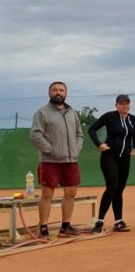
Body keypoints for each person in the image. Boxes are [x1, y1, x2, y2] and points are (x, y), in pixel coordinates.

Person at [29, 81, 84, 237]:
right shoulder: (42, 113)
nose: (58, 92)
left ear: (66, 93)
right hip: (49, 161)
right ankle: (43, 227)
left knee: (71, 193)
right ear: (49, 93)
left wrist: (76, 149)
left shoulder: (72, 113)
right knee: (47, 194)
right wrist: (50, 150)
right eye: (55, 90)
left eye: (61, 90)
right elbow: (35, 135)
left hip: (71, 161)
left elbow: (79, 134)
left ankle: (65, 227)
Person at [88, 94, 135, 233]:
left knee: (119, 189)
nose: (125, 106)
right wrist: (99, 144)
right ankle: (99, 222)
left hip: (125, 159)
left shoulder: (133, 119)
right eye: (122, 103)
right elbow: (91, 129)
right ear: (116, 105)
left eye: (127, 103)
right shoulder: (110, 116)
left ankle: (118, 221)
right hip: (109, 156)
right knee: (112, 187)